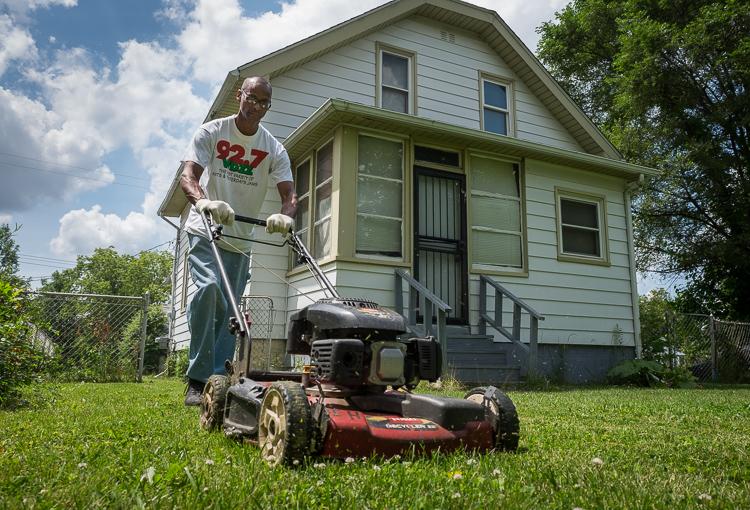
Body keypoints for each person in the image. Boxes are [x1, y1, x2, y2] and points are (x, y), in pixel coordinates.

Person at [179, 76, 298, 406]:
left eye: (264, 103)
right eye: (252, 98)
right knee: (207, 291)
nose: (257, 107)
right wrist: (204, 202)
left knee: (231, 310)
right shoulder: (213, 132)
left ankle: (217, 379)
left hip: (241, 240)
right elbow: (188, 175)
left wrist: (286, 216)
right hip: (205, 230)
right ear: (239, 96)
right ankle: (197, 378)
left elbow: (290, 194)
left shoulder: (273, 147)